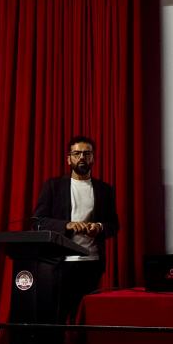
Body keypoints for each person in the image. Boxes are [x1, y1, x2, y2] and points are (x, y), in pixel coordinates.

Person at [33, 135, 120, 322]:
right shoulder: (53, 186)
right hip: (59, 264)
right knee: (55, 320)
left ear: (94, 158)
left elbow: (114, 224)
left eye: (87, 153)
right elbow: (38, 222)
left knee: (85, 322)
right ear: (68, 158)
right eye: (77, 153)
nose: (82, 157)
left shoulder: (105, 189)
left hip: (92, 263)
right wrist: (67, 225)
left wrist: (99, 227)